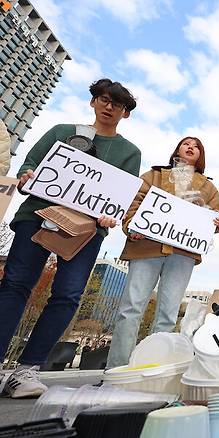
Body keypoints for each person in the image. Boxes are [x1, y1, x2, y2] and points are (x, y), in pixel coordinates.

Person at [0, 79, 140, 398]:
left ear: (125, 113)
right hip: (38, 214)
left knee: (68, 294)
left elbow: (121, 193)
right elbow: (32, 163)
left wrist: (110, 215)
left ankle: (28, 369)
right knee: (16, 285)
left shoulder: (129, 153)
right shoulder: (62, 130)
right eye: (103, 100)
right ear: (93, 102)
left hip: (87, 229)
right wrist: (27, 177)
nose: (108, 107)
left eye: (117, 104)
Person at [106, 137, 219, 369]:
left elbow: (217, 219)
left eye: (197, 146)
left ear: (201, 155)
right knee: (131, 308)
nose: (191, 148)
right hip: (146, 247)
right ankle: (116, 369)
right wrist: (132, 226)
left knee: (168, 314)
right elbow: (134, 203)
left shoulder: (208, 187)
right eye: (186, 144)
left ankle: (153, 370)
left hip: (183, 253)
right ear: (176, 150)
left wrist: (216, 221)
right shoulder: (153, 176)